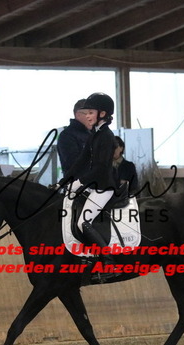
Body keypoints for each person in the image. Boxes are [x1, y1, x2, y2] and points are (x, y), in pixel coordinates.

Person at [65, 92, 117, 252]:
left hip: (104, 187)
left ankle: (107, 259)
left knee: (83, 222)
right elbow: (81, 160)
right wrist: (63, 182)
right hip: (92, 186)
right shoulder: (95, 134)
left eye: (90, 112)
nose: (87, 116)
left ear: (102, 114)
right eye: (86, 113)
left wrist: (79, 182)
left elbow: (100, 168)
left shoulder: (107, 136)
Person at [57, 99, 94, 178]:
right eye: (89, 114)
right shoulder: (67, 136)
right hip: (77, 183)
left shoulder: (92, 134)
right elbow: (74, 164)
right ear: (78, 115)